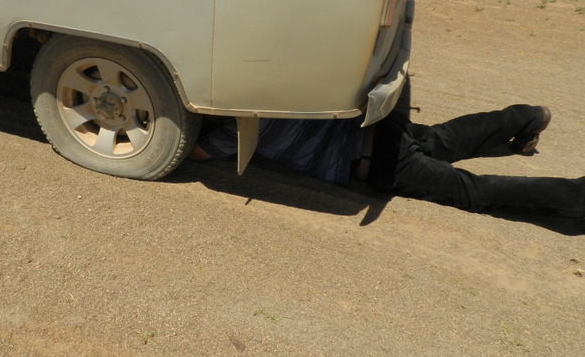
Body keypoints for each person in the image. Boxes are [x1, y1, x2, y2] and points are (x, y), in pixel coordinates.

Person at [189, 82, 585, 220]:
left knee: (472, 192)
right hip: (381, 125)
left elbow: (192, 154)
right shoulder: (271, 87)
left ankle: (574, 196)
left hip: (378, 161)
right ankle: (526, 117)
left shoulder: (235, 130)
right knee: (444, 139)